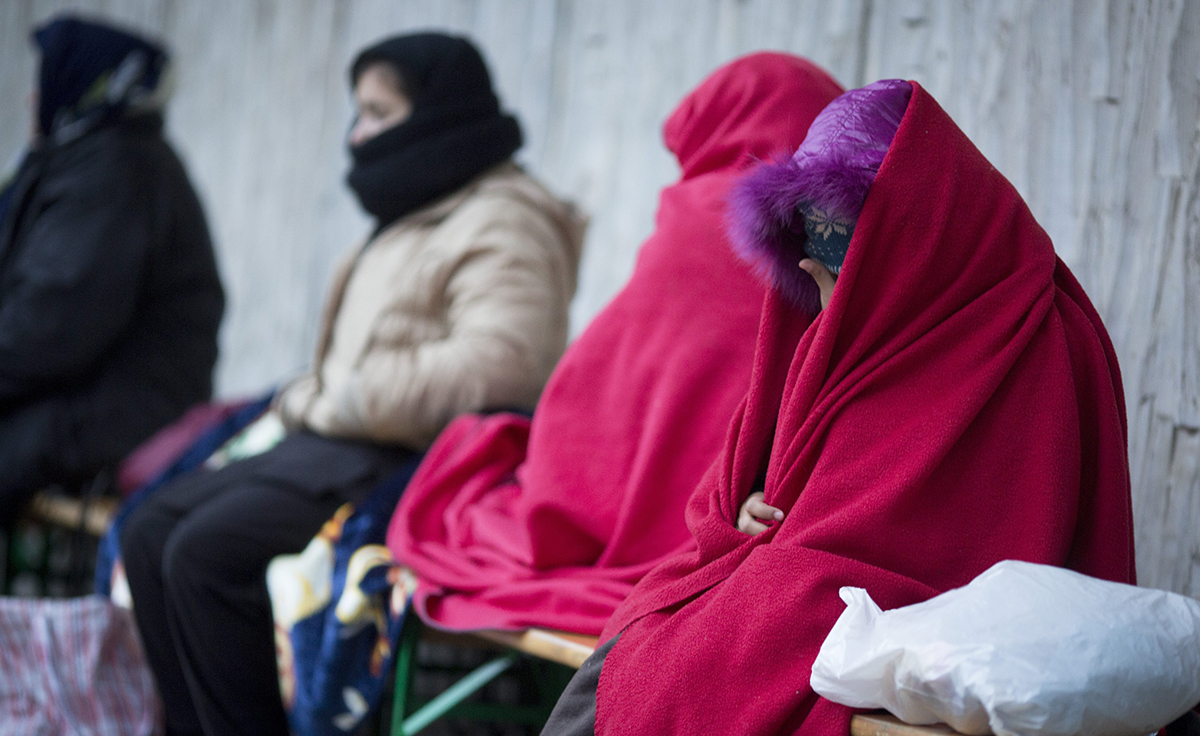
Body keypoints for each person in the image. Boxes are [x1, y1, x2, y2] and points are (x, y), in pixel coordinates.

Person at [542, 79, 1134, 736]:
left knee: (670, 666)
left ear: (914, 237)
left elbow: (975, 556)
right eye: (815, 273)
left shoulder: (1036, 337)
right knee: (636, 650)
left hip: (905, 613)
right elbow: (745, 486)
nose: (828, 302)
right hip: (795, 591)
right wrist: (742, 511)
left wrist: (782, 560)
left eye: (844, 271)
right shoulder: (840, 321)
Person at [119, 32, 584, 736]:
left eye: (377, 112)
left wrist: (345, 396)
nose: (359, 133)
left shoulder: (507, 217)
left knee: (205, 554)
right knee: (151, 528)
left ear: (437, 113)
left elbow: (503, 367)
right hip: (341, 444)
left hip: (411, 461)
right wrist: (326, 400)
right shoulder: (420, 208)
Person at [386, 52, 843, 636]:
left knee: (461, 475)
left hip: (609, 503)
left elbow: (603, 377)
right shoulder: (832, 239)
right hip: (740, 511)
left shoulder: (701, 213)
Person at [0, 16, 224, 522]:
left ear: (82, 83)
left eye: (47, 79)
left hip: (124, 405)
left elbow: (51, 326)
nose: (32, 98)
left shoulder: (116, 170)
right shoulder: (78, 157)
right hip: (87, 391)